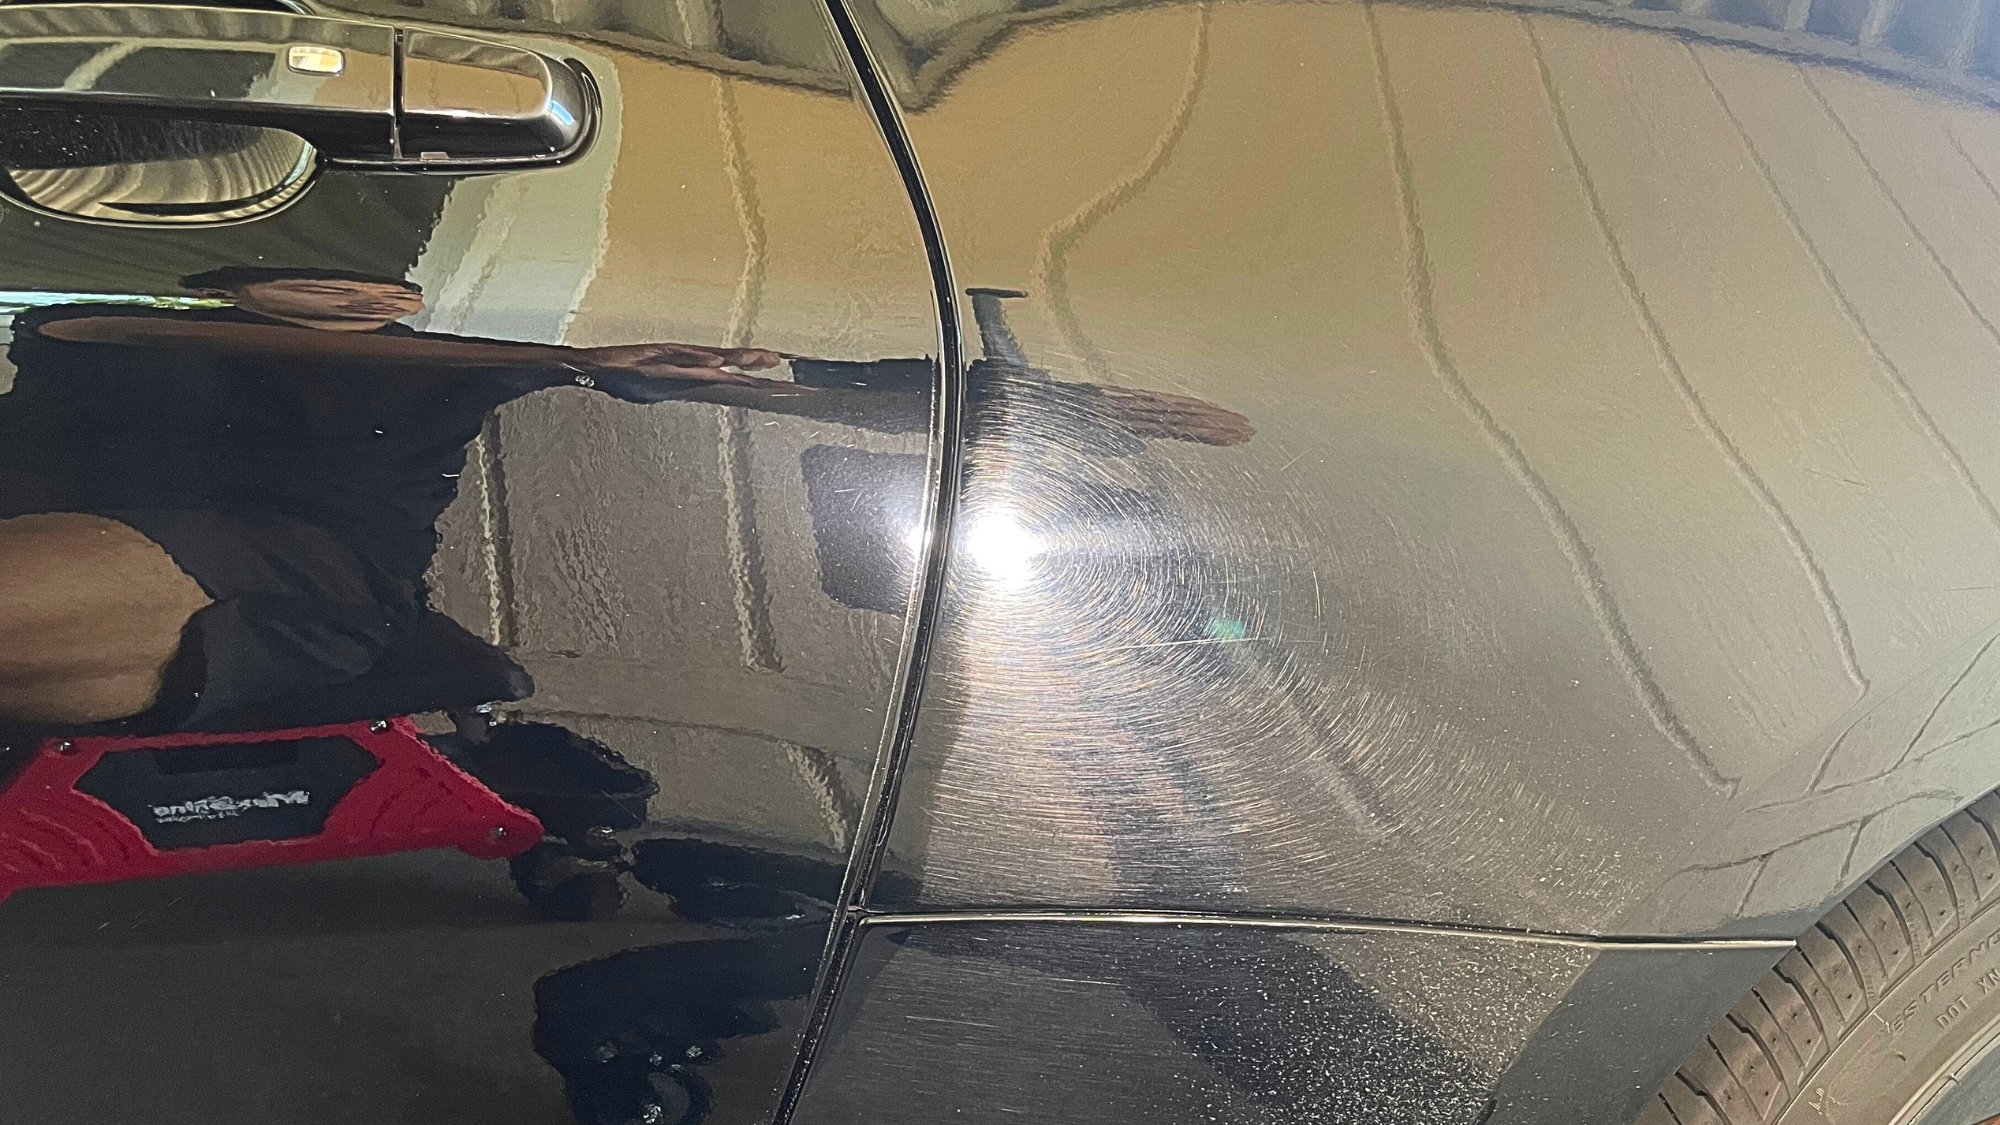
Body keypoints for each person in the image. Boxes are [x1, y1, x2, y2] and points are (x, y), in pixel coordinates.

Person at [0, 265, 1250, 732]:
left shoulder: (483, 338)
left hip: (295, 569)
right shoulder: (102, 295)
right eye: (321, 280)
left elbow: (778, 377)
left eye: (376, 286)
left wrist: (1053, 404)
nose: (358, 296)